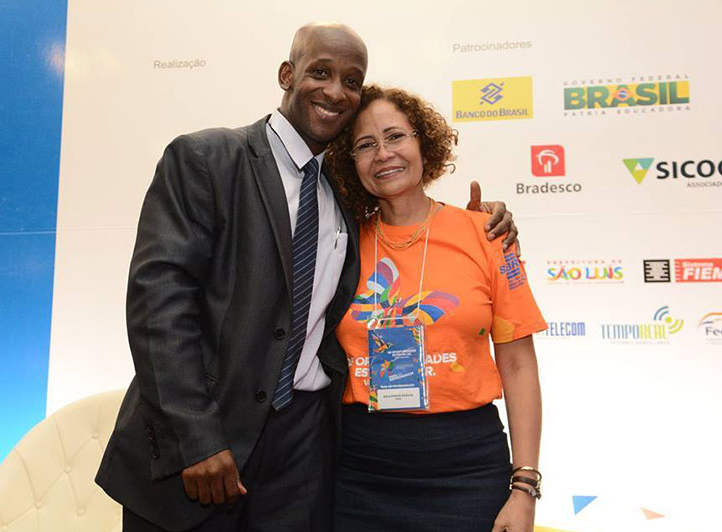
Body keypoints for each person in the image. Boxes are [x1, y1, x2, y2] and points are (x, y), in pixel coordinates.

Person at [96, 23, 517, 532]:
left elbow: (410, 228)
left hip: (305, 454)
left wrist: (479, 224)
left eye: (351, 80)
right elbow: (158, 306)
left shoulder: (345, 193)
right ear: (286, 75)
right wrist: (197, 437)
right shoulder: (207, 159)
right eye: (321, 72)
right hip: (203, 443)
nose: (336, 91)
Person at [326, 85, 545, 532]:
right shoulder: (339, 244)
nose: (383, 153)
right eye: (365, 145)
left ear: (424, 143)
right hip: (359, 472)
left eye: (395, 136)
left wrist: (524, 486)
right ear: (351, 163)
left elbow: (519, 365)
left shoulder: (487, 234)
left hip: (467, 469)